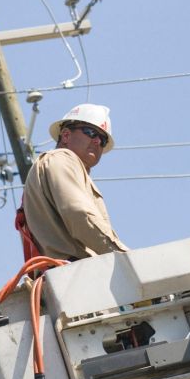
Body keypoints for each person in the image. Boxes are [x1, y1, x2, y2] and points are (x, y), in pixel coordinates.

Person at [21, 103, 127, 261]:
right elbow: (79, 215)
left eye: (103, 139)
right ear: (65, 135)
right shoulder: (62, 158)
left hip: (72, 269)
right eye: (91, 132)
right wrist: (125, 257)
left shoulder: (72, 171)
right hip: (73, 268)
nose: (98, 141)